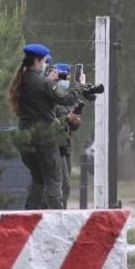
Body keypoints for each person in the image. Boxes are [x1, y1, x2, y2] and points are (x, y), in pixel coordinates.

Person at [7, 44, 81, 209]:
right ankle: (57, 218)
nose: (47, 66)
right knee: (54, 180)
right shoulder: (42, 82)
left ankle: (30, 217)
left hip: (25, 136)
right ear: (38, 61)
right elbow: (68, 99)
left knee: (38, 179)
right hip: (44, 137)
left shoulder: (22, 80)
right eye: (46, 62)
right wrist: (77, 83)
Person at [50, 62, 82, 208]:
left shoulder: (64, 97)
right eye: (65, 77)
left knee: (66, 183)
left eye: (68, 78)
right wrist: (68, 118)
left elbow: (69, 126)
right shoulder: (52, 94)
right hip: (55, 145)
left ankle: (62, 208)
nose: (66, 81)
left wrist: (74, 121)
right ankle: (58, 211)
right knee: (62, 183)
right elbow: (54, 121)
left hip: (65, 145)